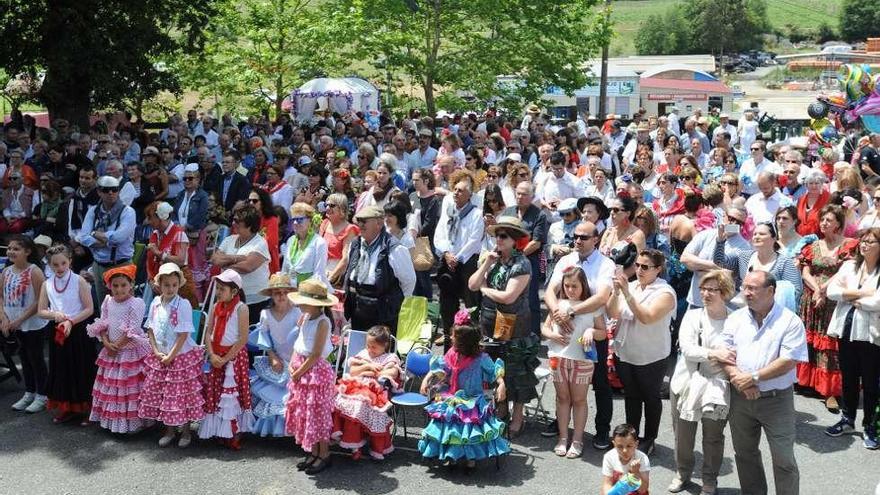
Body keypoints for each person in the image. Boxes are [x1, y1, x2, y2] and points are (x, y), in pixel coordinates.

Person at [721, 270, 807, 495]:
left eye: (752, 288)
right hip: (741, 398)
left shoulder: (790, 321)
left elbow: (789, 361)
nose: (746, 292)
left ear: (770, 291)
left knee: (783, 459)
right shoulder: (735, 318)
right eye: (744, 287)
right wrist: (739, 379)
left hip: (776, 401)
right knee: (745, 454)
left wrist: (754, 377)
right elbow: (724, 354)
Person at [467, 216, 538, 438]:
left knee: (516, 373)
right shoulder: (493, 259)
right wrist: (486, 264)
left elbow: (509, 297)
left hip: (515, 325)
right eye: (497, 235)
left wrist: (485, 290)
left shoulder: (522, 263)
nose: (498, 239)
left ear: (514, 240)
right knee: (495, 368)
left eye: (503, 236)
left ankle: (518, 417)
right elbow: (472, 284)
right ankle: (500, 410)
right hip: (489, 323)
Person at [668, 269, 736, 494]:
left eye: (712, 290)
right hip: (687, 382)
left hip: (718, 386)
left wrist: (714, 355)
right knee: (683, 435)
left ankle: (710, 480)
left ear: (724, 292)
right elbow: (688, 350)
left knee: (713, 437)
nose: (706, 294)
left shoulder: (735, 320)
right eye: (703, 289)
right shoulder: (693, 316)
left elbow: (736, 353)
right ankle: (682, 473)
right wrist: (715, 354)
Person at [606, 249, 677, 456]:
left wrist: (627, 293)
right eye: (637, 265)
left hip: (651, 356)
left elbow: (647, 317)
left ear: (658, 269)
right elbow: (612, 312)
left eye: (645, 267)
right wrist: (617, 292)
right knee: (632, 397)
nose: (639, 270)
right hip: (626, 352)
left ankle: (650, 438)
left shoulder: (665, 293)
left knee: (650, 398)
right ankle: (632, 436)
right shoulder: (633, 285)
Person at [417, 322, 509, 470]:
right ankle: (452, 455)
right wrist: (426, 379)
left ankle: (470, 457)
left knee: (468, 423)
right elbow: (439, 368)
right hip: (452, 396)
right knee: (448, 419)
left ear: (464, 341)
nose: (451, 338)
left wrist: (502, 384)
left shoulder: (481, 358)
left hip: (473, 398)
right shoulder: (452, 354)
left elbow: (494, 372)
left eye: (454, 336)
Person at [541, 266, 606, 459]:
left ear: (583, 286)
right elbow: (544, 328)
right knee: (562, 399)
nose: (570, 290)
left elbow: (602, 333)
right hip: (557, 357)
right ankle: (562, 438)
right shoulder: (558, 304)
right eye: (567, 285)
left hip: (582, 360)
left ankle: (577, 440)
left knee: (578, 400)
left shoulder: (591, 306)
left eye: (574, 286)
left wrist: (591, 332)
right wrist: (552, 334)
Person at [797, 205, 858, 411]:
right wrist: (816, 290)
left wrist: (822, 290)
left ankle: (830, 391)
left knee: (831, 344)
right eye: (822, 219)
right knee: (812, 341)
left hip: (834, 300)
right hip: (812, 298)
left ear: (839, 224)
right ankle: (811, 383)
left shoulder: (848, 245)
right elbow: (805, 271)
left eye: (829, 220)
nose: (824, 223)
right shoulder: (813, 244)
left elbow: (845, 272)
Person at [824, 227, 880, 448]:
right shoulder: (849, 266)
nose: (864, 245)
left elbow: (877, 303)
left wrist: (852, 298)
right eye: (863, 241)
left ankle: (870, 426)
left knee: (870, 382)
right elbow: (832, 292)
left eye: (871, 242)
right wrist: (861, 294)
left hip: (870, 334)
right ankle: (847, 419)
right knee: (848, 377)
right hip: (846, 329)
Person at [139, 262, 204, 448]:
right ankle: (168, 430)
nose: (170, 288)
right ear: (160, 284)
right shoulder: (155, 302)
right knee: (165, 395)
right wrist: (156, 351)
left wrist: (171, 356)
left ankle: (185, 431)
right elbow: (150, 328)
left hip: (178, 357)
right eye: (166, 285)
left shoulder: (182, 304)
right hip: (160, 354)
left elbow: (184, 334)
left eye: (174, 285)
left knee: (180, 395)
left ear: (179, 285)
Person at [85, 264, 150, 433]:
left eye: (123, 285)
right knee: (112, 387)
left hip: (129, 353)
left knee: (129, 387)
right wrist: (106, 343)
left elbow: (132, 329)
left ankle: (132, 423)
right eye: (115, 285)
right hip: (111, 351)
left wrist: (117, 346)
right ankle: (114, 422)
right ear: (109, 286)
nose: (119, 289)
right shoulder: (108, 301)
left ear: (131, 285)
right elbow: (103, 323)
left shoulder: (136, 303)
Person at [37, 244, 95, 425]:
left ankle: (87, 409)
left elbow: (89, 308)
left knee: (81, 368)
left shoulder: (79, 281)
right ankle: (67, 408)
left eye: (63, 263)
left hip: (78, 330)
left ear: (70, 261)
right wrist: (54, 315)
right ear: (50, 265)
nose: (60, 268)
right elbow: (40, 311)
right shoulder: (47, 284)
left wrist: (71, 321)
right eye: (55, 265)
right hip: (58, 331)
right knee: (62, 369)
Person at [286, 278, 337, 475]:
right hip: (301, 369)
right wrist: (292, 364)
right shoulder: (306, 318)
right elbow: (298, 344)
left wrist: (298, 372)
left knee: (317, 413)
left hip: (314, 372)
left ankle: (324, 453)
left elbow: (316, 353)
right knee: (306, 413)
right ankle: (314, 451)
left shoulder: (323, 322)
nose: (299, 304)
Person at [199, 269, 253, 448]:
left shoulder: (241, 308)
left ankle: (233, 431)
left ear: (234, 291)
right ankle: (218, 430)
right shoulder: (216, 306)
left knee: (233, 395)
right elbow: (209, 332)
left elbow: (242, 338)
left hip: (234, 358)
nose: (219, 292)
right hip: (217, 355)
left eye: (222, 289)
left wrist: (226, 358)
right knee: (217, 392)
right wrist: (213, 354)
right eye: (218, 288)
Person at [332, 325, 402, 460]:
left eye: (374, 347)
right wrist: (368, 367)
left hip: (375, 389)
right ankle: (353, 444)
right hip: (355, 386)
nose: (370, 349)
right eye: (368, 345)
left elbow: (392, 373)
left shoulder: (390, 357)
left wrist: (373, 373)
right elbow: (352, 371)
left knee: (360, 406)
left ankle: (356, 443)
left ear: (385, 345)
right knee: (340, 401)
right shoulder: (364, 354)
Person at [343, 205, 416, 333]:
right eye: (358, 221)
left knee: (381, 350)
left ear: (379, 223)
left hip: (383, 312)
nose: (360, 225)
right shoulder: (355, 244)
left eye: (364, 221)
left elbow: (409, 281)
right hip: (358, 308)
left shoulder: (395, 248)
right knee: (359, 350)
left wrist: (393, 304)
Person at [0, 236, 49, 413]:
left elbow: (40, 300)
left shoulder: (34, 272)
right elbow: (1, 296)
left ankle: (42, 395)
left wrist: (20, 319)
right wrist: (4, 318)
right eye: (10, 248)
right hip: (13, 324)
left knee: (35, 359)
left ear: (27, 252)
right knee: (24, 359)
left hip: (32, 324)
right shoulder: (6, 272)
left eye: (16, 249)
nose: (11, 251)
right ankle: (29, 392)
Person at [434, 171, 484, 342]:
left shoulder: (476, 214)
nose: (456, 193)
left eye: (461, 190)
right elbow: (440, 234)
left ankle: (472, 338)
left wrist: (458, 257)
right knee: (447, 302)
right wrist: (447, 254)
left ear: (470, 194)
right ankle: (450, 335)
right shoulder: (448, 211)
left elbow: (474, 240)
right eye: (454, 189)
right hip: (448, 261)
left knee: (471, 303)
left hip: (466, 263)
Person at [249, 273, 300, 437]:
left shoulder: (297, 313)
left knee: (290, 394)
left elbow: (302, 340)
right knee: (274, 394)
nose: (281, 296)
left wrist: (295, 361)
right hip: (277, 359)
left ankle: (291, 429)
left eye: (285, 292)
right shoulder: (266, 314)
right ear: (271, 294)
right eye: (277, 292)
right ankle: (272, 429)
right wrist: (272, 356)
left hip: (295, 360)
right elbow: (263, 337)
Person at [714, 221, 803, 310]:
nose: (756, 237)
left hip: (771, 313)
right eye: (755, 234)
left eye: (762, 234)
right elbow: (720, 262)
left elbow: (795, 291)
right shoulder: (743, 256)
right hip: (742, 311)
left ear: (774, 238)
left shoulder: (785, 262)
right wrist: (720, 241)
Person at [77, 175, 136, 303]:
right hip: (99, 266)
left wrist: (95, 234)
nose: (111, 193)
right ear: (99, 192)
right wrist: (106, 241)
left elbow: (119, 237)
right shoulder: (93, 211)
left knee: (126, 307)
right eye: (106, 190)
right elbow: (83, 237)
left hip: (121, 264)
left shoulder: (128, 211)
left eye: (114, 189)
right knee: (104, 307)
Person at [212, 204, 271, 324]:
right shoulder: (229, 239)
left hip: (254, 301)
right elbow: (215, 259)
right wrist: (239, 258)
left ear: (249, 225)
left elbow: (248, 267)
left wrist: (226, 264)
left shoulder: (260, 243)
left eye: (238, 221)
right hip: (229, 298)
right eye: (234, 219)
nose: (234, 223)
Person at [502, 181, 548, 336]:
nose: (520, 197)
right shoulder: (508, 212)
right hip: (506, 261)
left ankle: (532, 335)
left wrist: (517, 256)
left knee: (530, 299)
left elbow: (536, 242)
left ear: (532, 196)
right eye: (518, 193)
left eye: (524, 194)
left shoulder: (539, 214)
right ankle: (505, 334)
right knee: (506, 298)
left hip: (528, 261)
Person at [145, 202, 198, 307]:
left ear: (160, 217)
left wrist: (159, 253)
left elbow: (180, 260)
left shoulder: (179, 234)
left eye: (150, 217)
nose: (148, 221)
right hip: (158, 282)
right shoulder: (154, 234)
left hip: (178, 284)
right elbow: (149, 261)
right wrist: (151, 279)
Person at [282, 202, 329, 288]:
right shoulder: (290, 240)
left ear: (310, 221)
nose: (295, 223)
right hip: (290, 291)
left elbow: (319, 274)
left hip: (310, 292)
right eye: (293, 220)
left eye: (299, 219)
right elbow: (284, 270)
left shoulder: (319, 243)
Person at [600, 423, 650, 495]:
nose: (625, 450)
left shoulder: (642, 458)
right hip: (616, 491)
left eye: (629, 446)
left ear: (636, 444)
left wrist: (635, 473)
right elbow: (607, 483)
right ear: (614, 444)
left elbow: (643, 490)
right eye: (620, 446)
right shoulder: (609, 457)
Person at [248, 188, 281, 274]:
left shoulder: (272, 220)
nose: (251, 203)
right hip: (249, 263)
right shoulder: (248, 219)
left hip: (267, 265)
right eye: (249, 201)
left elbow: (270, 243)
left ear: (263, 202)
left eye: (254, 201)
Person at [796, 170, 830, 236]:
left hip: (821, 237)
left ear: (822, 184)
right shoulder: (801, 199)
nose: (814, 186)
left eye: (817, 183)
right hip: (800, 237)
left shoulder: (828, 198)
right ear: (806, 185)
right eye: (811, 183)